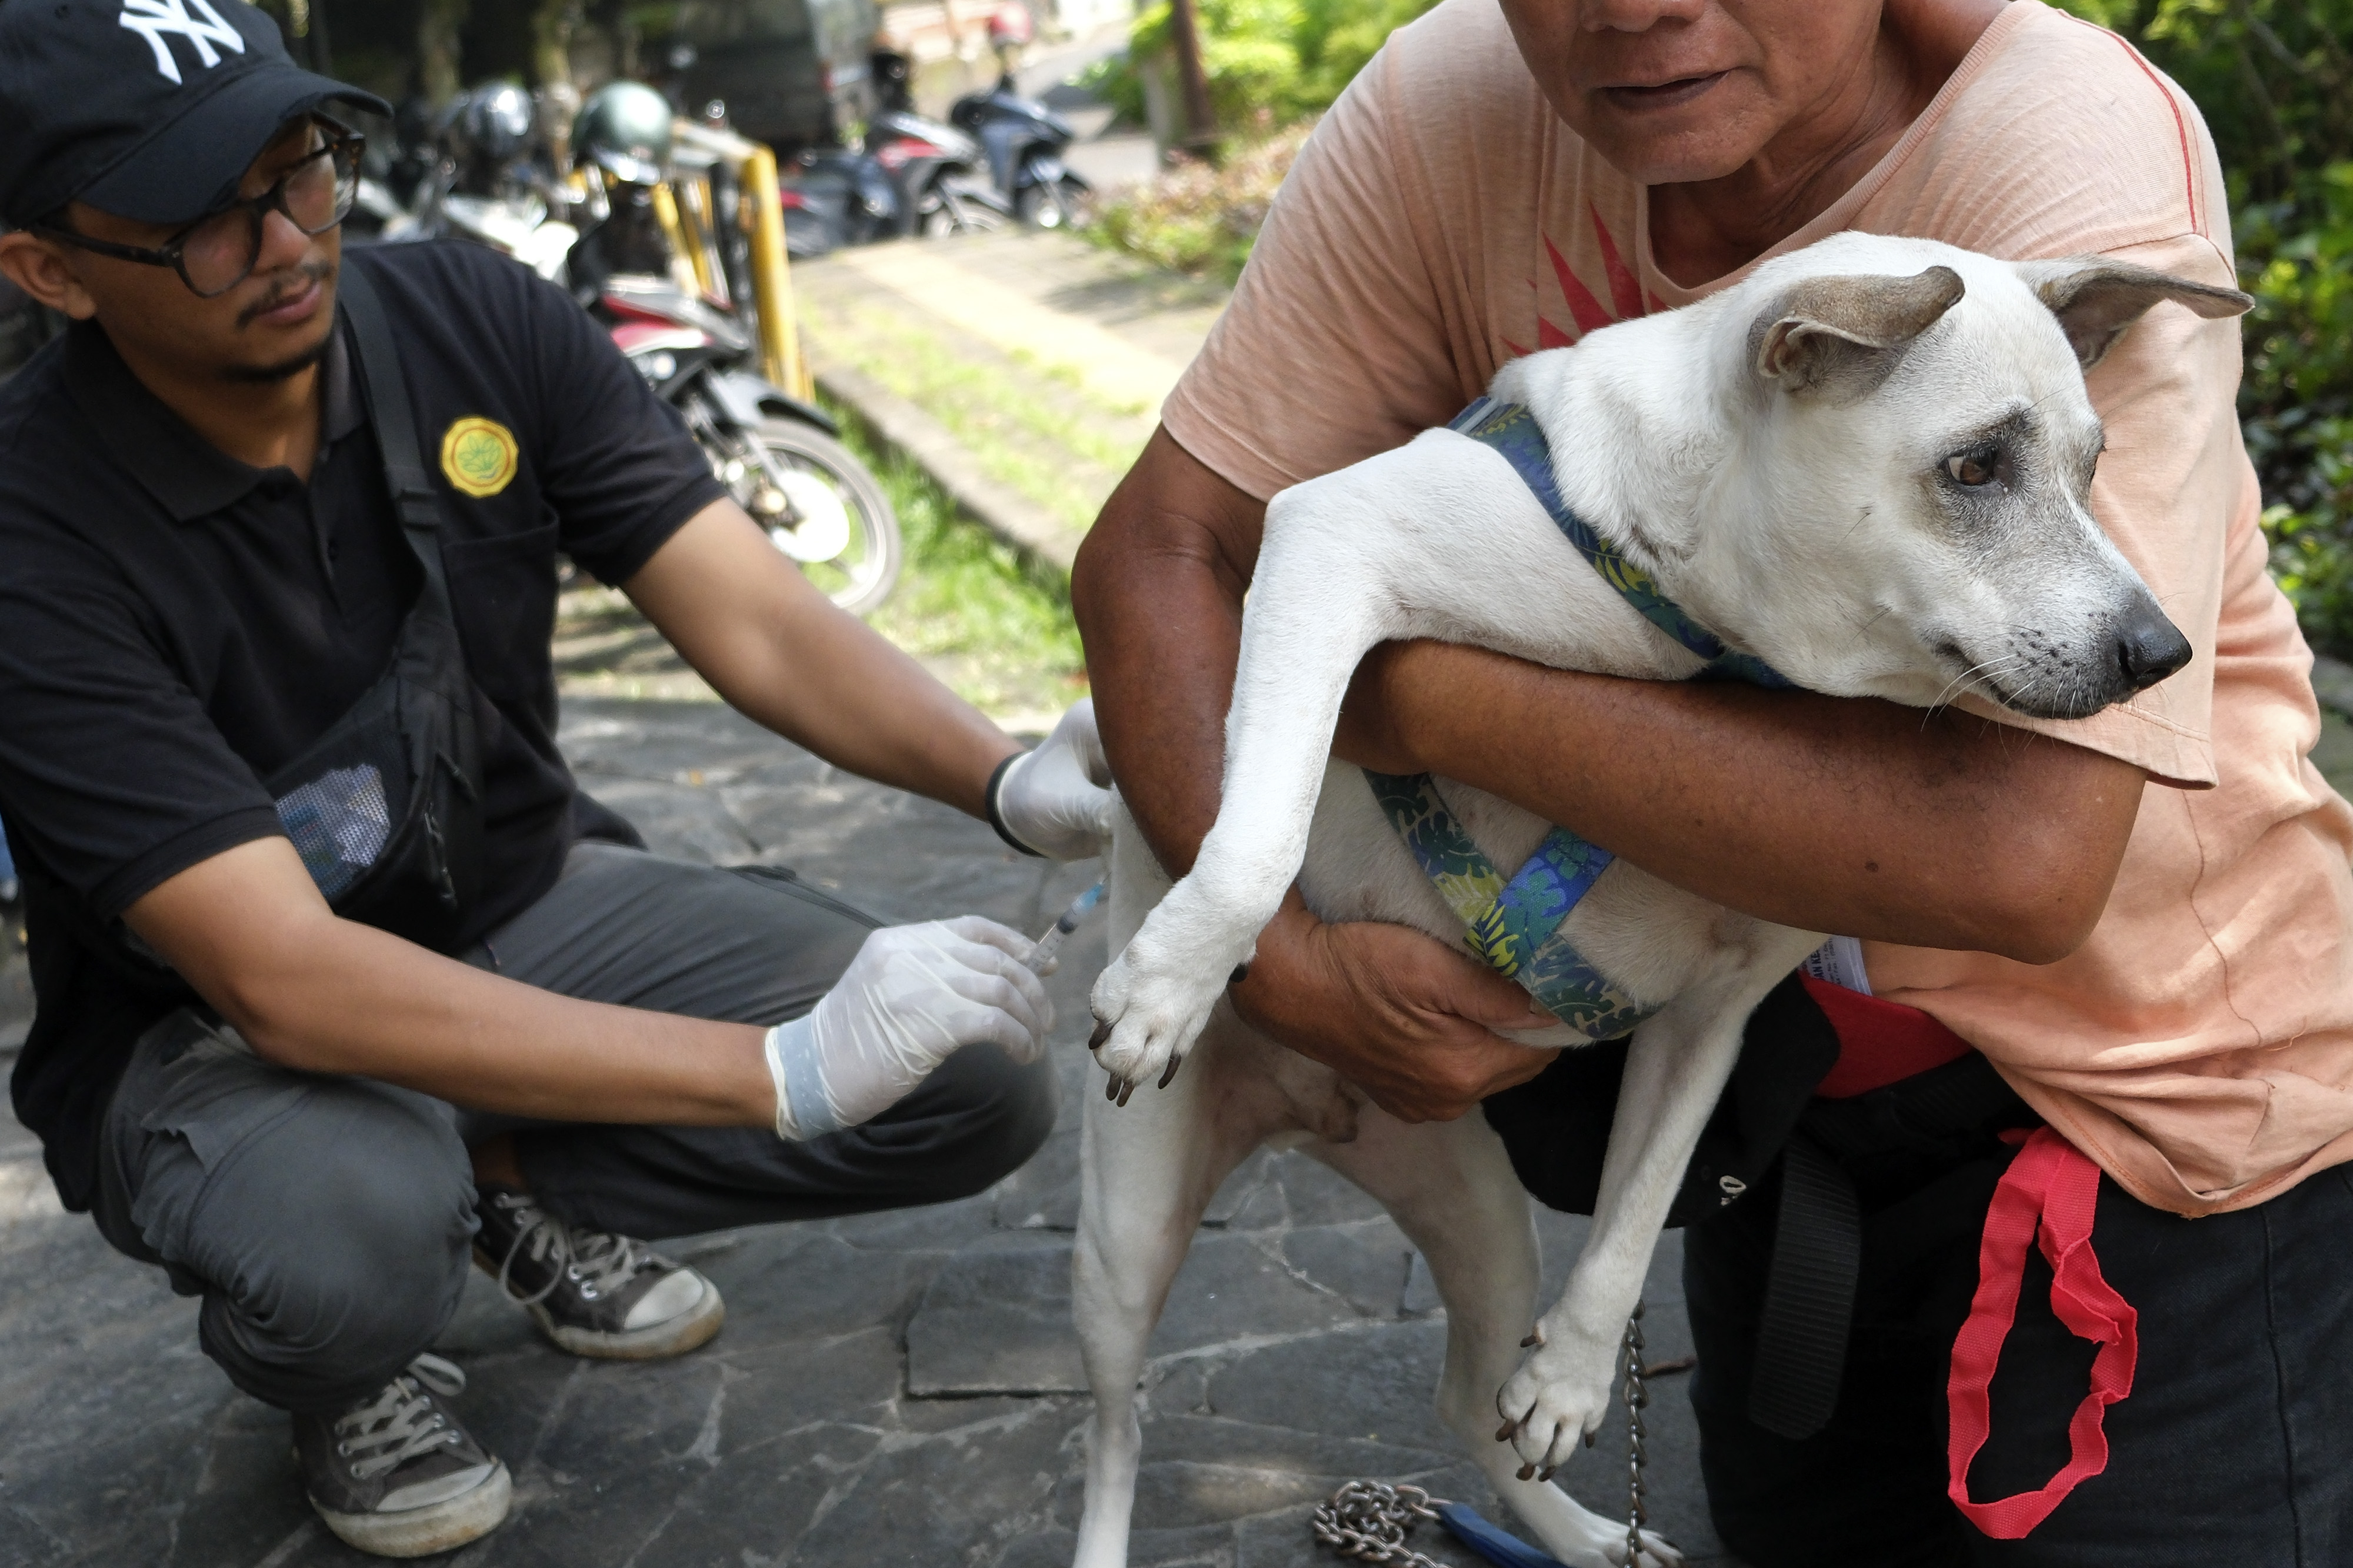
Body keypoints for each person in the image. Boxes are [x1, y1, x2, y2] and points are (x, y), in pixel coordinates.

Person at [1073, 0, 2353, 1562]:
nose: (1634, 8)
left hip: (2158, 1142)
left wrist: (1412, 691)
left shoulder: (2061, 143)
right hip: (1778, 1128)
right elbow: (1162, 549)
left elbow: (2011, 857)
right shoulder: (1451, 105)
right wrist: (1270, 959)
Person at [0, 2, 1108, 1556]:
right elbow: (286, 978)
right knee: (351, 1241)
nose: (283, 239)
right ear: (47, 266)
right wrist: (776, 1074)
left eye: (300, 168)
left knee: (975, 1076)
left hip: (514, 895)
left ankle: (498, 1167)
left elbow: (761, 621)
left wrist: (1002, 778)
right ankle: (360, 1334)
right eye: (202, 219)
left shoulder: (470, 314)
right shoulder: (31, 538)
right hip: (216, 1039)